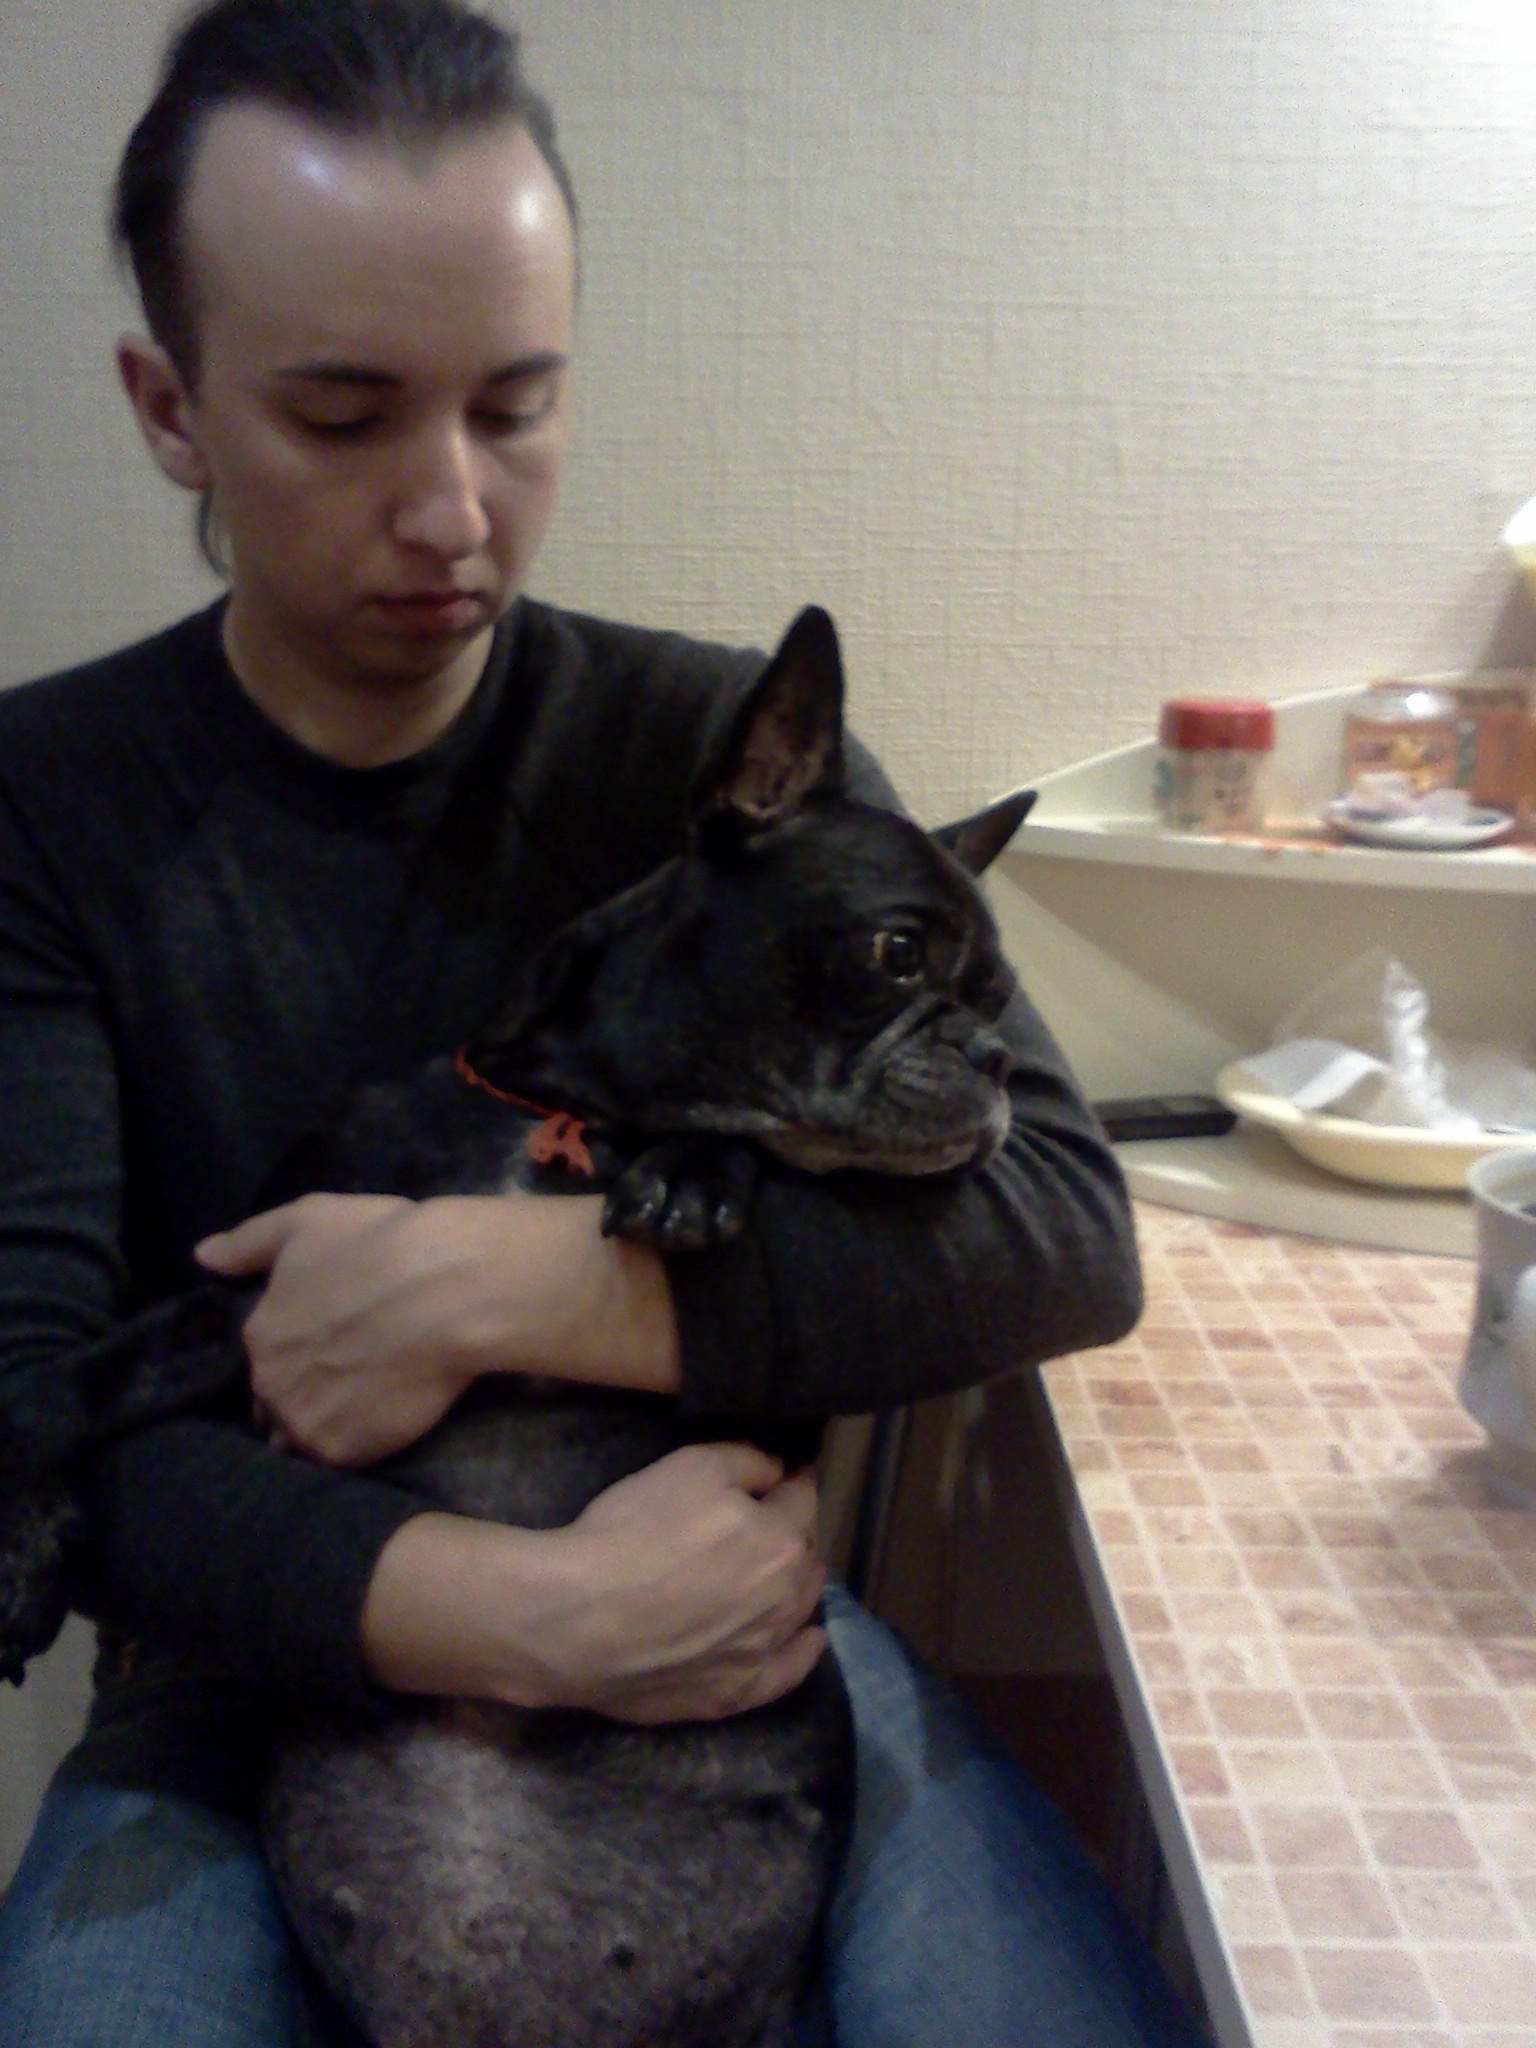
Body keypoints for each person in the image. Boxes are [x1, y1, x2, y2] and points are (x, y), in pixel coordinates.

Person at [0, 3, 1206, 2043]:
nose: (453, 509)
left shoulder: (722, 753)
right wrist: (522, 1619)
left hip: (712, 1623)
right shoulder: (46, 804)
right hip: (256, 1647)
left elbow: (1064, 1235)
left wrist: (511, 1284)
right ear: (170, 405)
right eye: (345, 416)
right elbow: (29, 1405)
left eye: (517, 406)